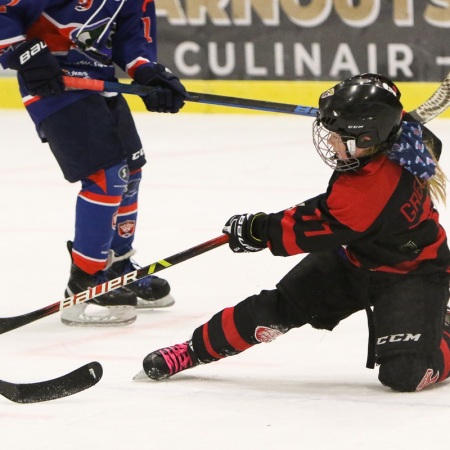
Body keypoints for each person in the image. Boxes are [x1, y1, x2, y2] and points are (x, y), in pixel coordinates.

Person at [139, 73, 450, 392]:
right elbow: (410, 128)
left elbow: (308, 227)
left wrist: (258, 230)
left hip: (413, 273)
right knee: (274, 311)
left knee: (406, 374)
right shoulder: (402, 138)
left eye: (339, 135)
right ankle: (193, 351)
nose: (330, 141)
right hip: (354, 256)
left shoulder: (368, 192)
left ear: (368, 138)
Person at [0, 0, 187, 326]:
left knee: (131, 170)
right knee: (106, 175)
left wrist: (148, 72)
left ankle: (117, 268)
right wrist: (25, 52)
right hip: (53, 84)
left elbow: (131, 37)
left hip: (99, 83)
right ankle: (88, 278)